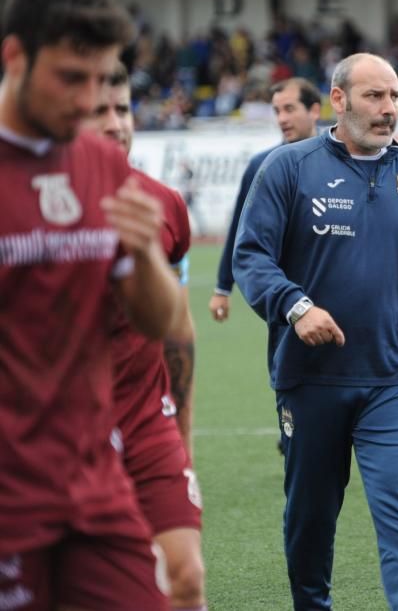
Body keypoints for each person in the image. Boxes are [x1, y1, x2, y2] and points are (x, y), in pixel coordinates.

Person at [232, 52, 398, 611]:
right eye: (374, 96)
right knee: (310, 517)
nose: (389, 109)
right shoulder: (288, 168)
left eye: (394, 96)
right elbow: (251, 256)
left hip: (396, 380)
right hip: (311, 381)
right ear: (338, 101)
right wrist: (294, 305)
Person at [0, 0, 181, 610]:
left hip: (94, 484)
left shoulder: (100, 162)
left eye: (101, 81)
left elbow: (156, 320)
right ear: (15, 56)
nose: (86, 102)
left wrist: (144, 255)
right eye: (70, 78)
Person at [80, 62, 207, 610]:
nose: (115, 124)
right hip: (63, 439)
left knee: (185, 578)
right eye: (97, 113)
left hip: (146, 428)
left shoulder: (166, 205)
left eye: (122, 109)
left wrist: (183, 433)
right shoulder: (27, 206)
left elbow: (177, 327)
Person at [209, 77, 321, 322]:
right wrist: (222, 287)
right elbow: (240, 227)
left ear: (314, 110)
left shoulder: (340, 158)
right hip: (286, 298)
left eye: (289, 109)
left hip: (333, 290)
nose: (281, 119)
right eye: (277, 111)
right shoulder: (263, 165)